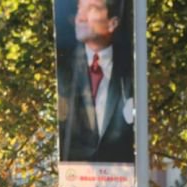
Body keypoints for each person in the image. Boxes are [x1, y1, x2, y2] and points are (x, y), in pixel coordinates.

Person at [57, 0, 134, 163]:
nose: (80, 18)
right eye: (79, 10)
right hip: (77, 176)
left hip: (120, 175)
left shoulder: (131, 71)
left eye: (92, 9)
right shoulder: (62, 69)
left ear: (112, 23)